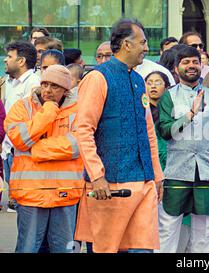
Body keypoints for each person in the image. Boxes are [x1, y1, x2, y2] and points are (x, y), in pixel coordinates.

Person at [74, 18, 164, 253]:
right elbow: (83, 129)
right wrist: (96, 175)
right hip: (110, 186)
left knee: (142, 248)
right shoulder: (97, 77)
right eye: (142, 42)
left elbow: (148, 132)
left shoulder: (137, 80)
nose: (146, 48)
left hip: (143, 183)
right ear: (126, 44)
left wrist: (157, 174)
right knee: (107, 248)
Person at [157, 45, 209, 253]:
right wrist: (190, 114)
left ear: (202, 65)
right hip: (177, 171)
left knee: (207, 229)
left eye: (195, 62)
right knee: (168, 226)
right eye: (186, 62)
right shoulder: (169, 96)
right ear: (176, 68)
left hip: (208, 171)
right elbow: (165, 131)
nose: (191, 66)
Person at [5, 64, 83, 252]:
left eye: (54, 86)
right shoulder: (22, 106)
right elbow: (19, 139)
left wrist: (37, 150)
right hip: (31, 194)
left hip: (64, 194)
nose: (47, 90)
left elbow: (77, 146)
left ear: (66, 89)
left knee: (64, 249)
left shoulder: (79, 108)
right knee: (27, 248)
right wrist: (48, 111)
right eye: (45, 84)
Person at [2, 41, 40, 212]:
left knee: (25, 209)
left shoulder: (34, 84)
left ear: (21, 61)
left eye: (10, 56)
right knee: (17, 206)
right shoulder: (11, 83)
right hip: (9, 150)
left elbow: (32, 122)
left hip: (22, 152)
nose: (5, 60)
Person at [145, 71, 170, 170]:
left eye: (158, 83)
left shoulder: (171, 110)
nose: (153, 86)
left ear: (166, 87)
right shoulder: (141, 110)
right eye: (149, 83)